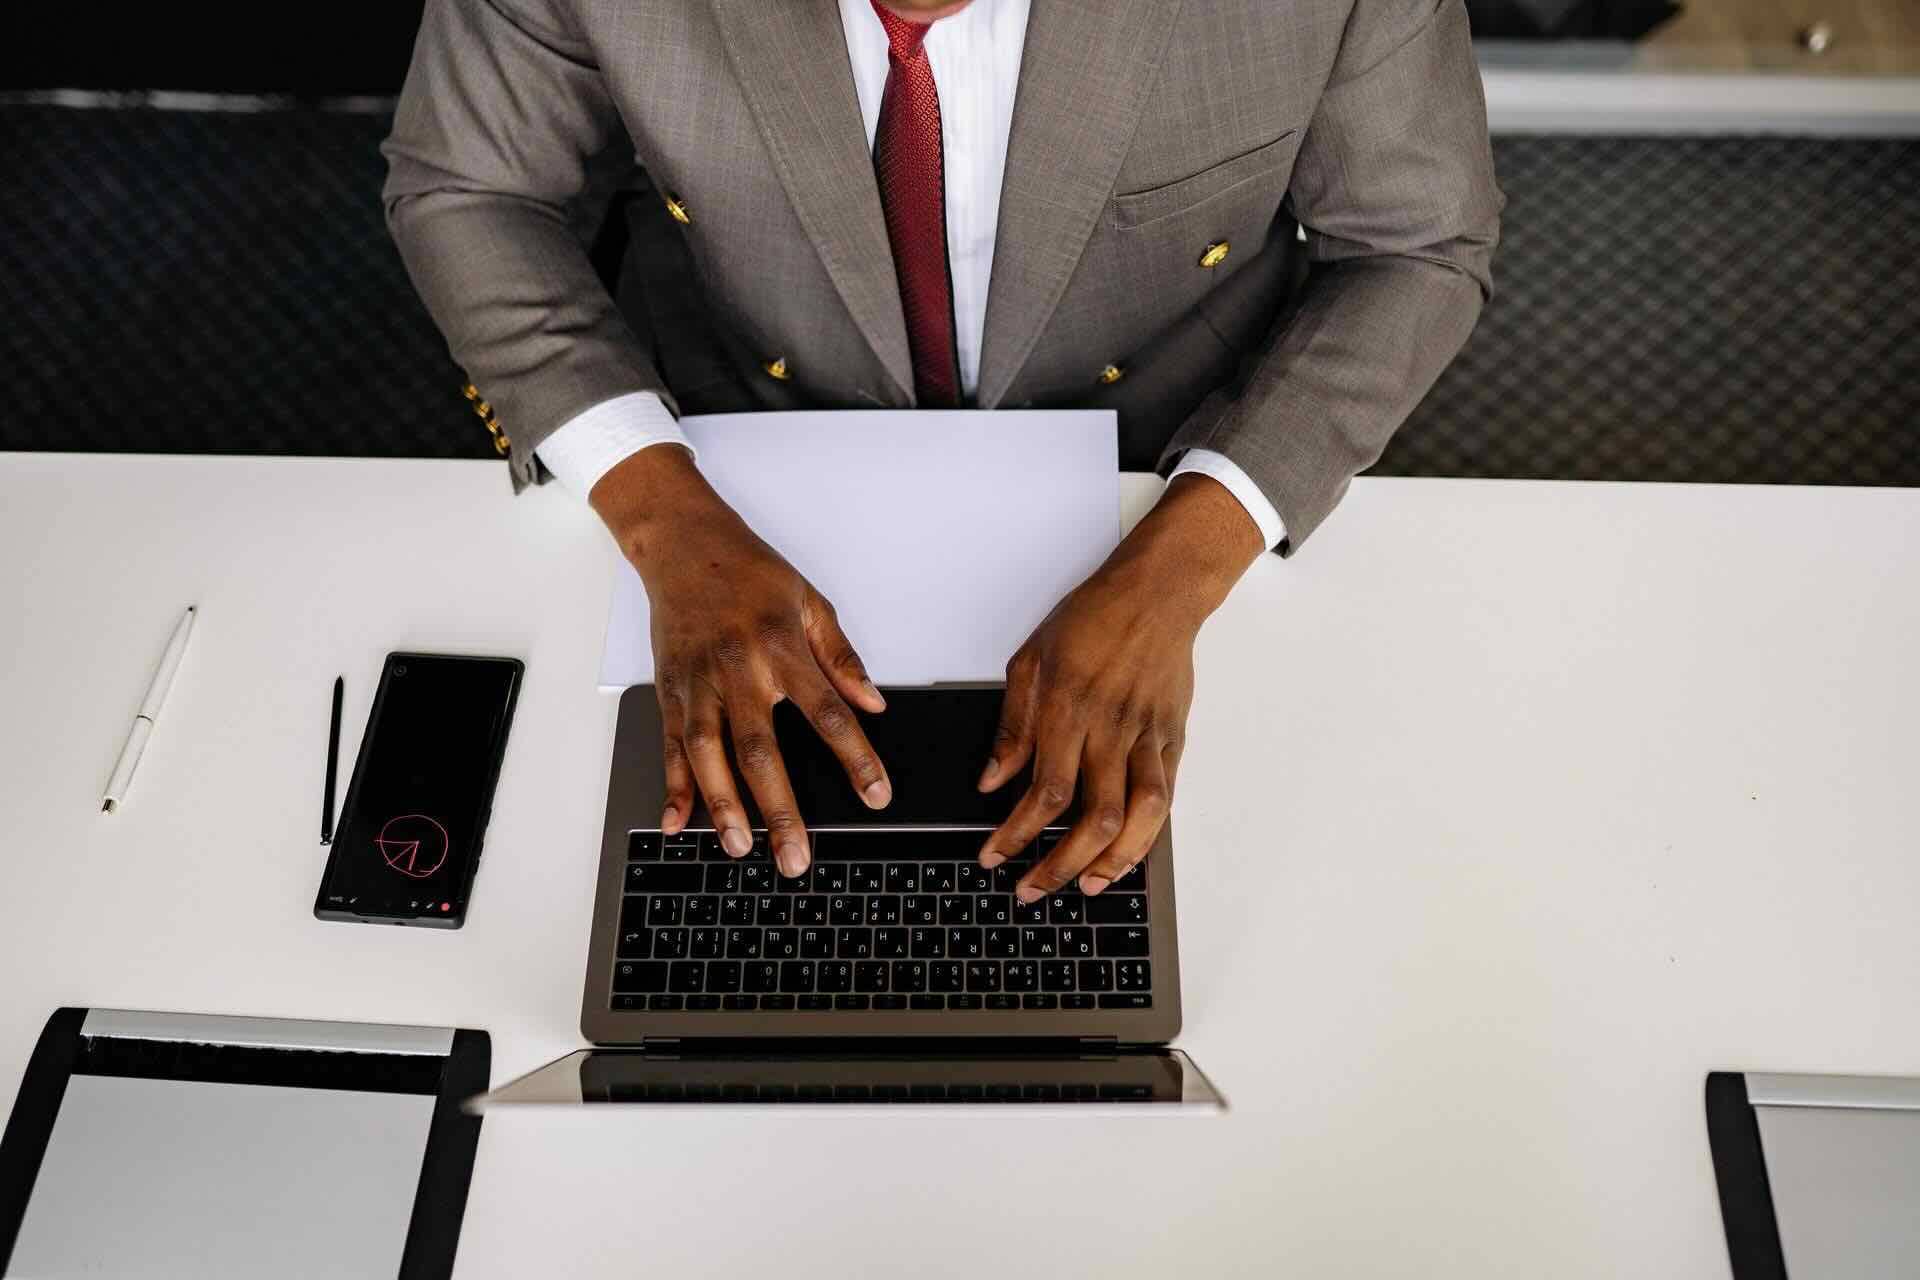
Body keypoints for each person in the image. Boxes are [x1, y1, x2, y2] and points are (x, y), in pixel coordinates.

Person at [382, 0, 1502, 902]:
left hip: (1163, 456)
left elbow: (1413, 247)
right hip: (739, 437)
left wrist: (1183, 563)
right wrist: (662, 516)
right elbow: (473, 189)